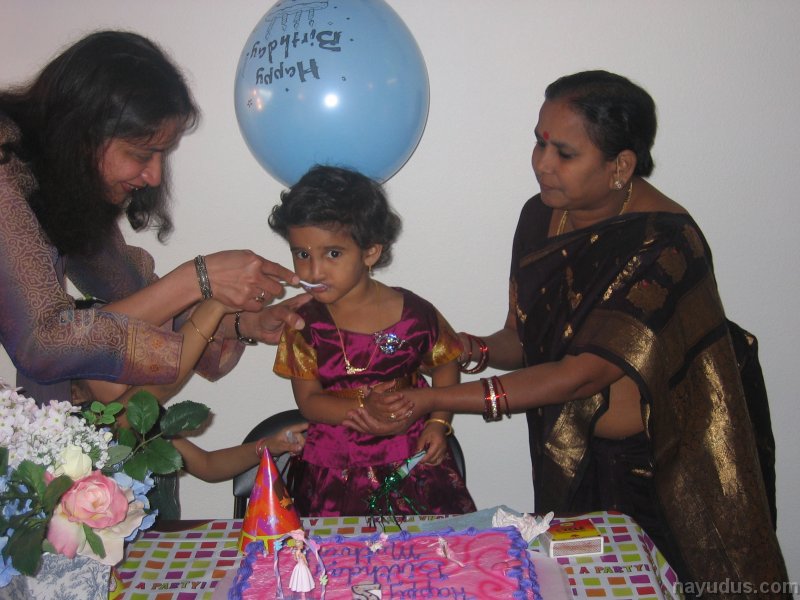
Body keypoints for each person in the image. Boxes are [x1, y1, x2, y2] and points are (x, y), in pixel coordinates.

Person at [350, 71, 788, 594]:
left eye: (564, 153)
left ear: (620, 166)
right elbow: (525, 340)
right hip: (570, 453)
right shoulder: (540, 217)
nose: (542, 163)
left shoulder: (665, 243)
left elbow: (583, 375)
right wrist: (473, 348)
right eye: (540, 143)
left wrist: (432, 401)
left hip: (660, 473)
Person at [0, 30, 306, 407]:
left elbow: (131, 289)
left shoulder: (58, 181)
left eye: (163, 154)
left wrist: (242, 322)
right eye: (142, 153)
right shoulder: (4, 170)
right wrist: (198, 278)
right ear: (82, 132)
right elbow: (42, 344)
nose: (155, 176)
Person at [268, 165, 475, 517]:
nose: (313, 271)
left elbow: (446, 364)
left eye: (333, 254)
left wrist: (439, 423)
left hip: (411, 462)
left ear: (370, 252)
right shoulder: (302, 324)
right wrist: (364, 409)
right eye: (302, 254)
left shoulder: (414, 313)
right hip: (333, 469)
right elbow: (309, 402)